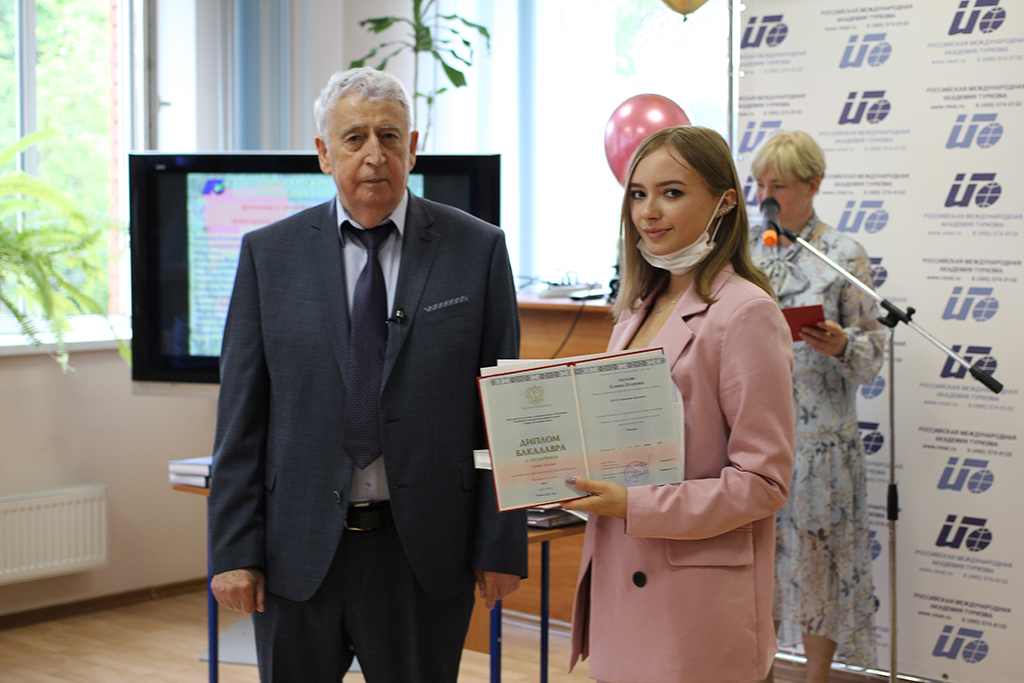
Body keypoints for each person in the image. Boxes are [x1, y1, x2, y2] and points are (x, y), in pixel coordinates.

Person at [207, 67, 527, 683]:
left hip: (423, 553)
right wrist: (234, 550)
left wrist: (500, 542)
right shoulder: (268, 255)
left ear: (413, 147)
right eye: (354, 138)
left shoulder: (477, 249)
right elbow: (240, 420)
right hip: (297, 551)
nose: (374, 154)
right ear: (324, 153)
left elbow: (502, 413)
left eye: (389, 136)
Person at [562, 125, 795, 683]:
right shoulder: (637, 307)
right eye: (638, 194)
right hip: (622, 588)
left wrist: (635, 505)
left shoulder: (746, 313)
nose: (648, 212)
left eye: (671, 192)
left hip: (694, 606)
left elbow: (764, 483)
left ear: (725, 201)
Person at [749, 131, 885, 683]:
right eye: (760, 184)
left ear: (813, 185)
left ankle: (817, 677)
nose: (766, 196)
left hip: (822, 442)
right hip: (755, 434)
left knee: (818, 567)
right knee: (757, 564)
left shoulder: (844, 255)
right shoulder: (745, 252)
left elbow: (873, 352)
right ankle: (758, 672)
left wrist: (843, 343)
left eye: (779, 185)